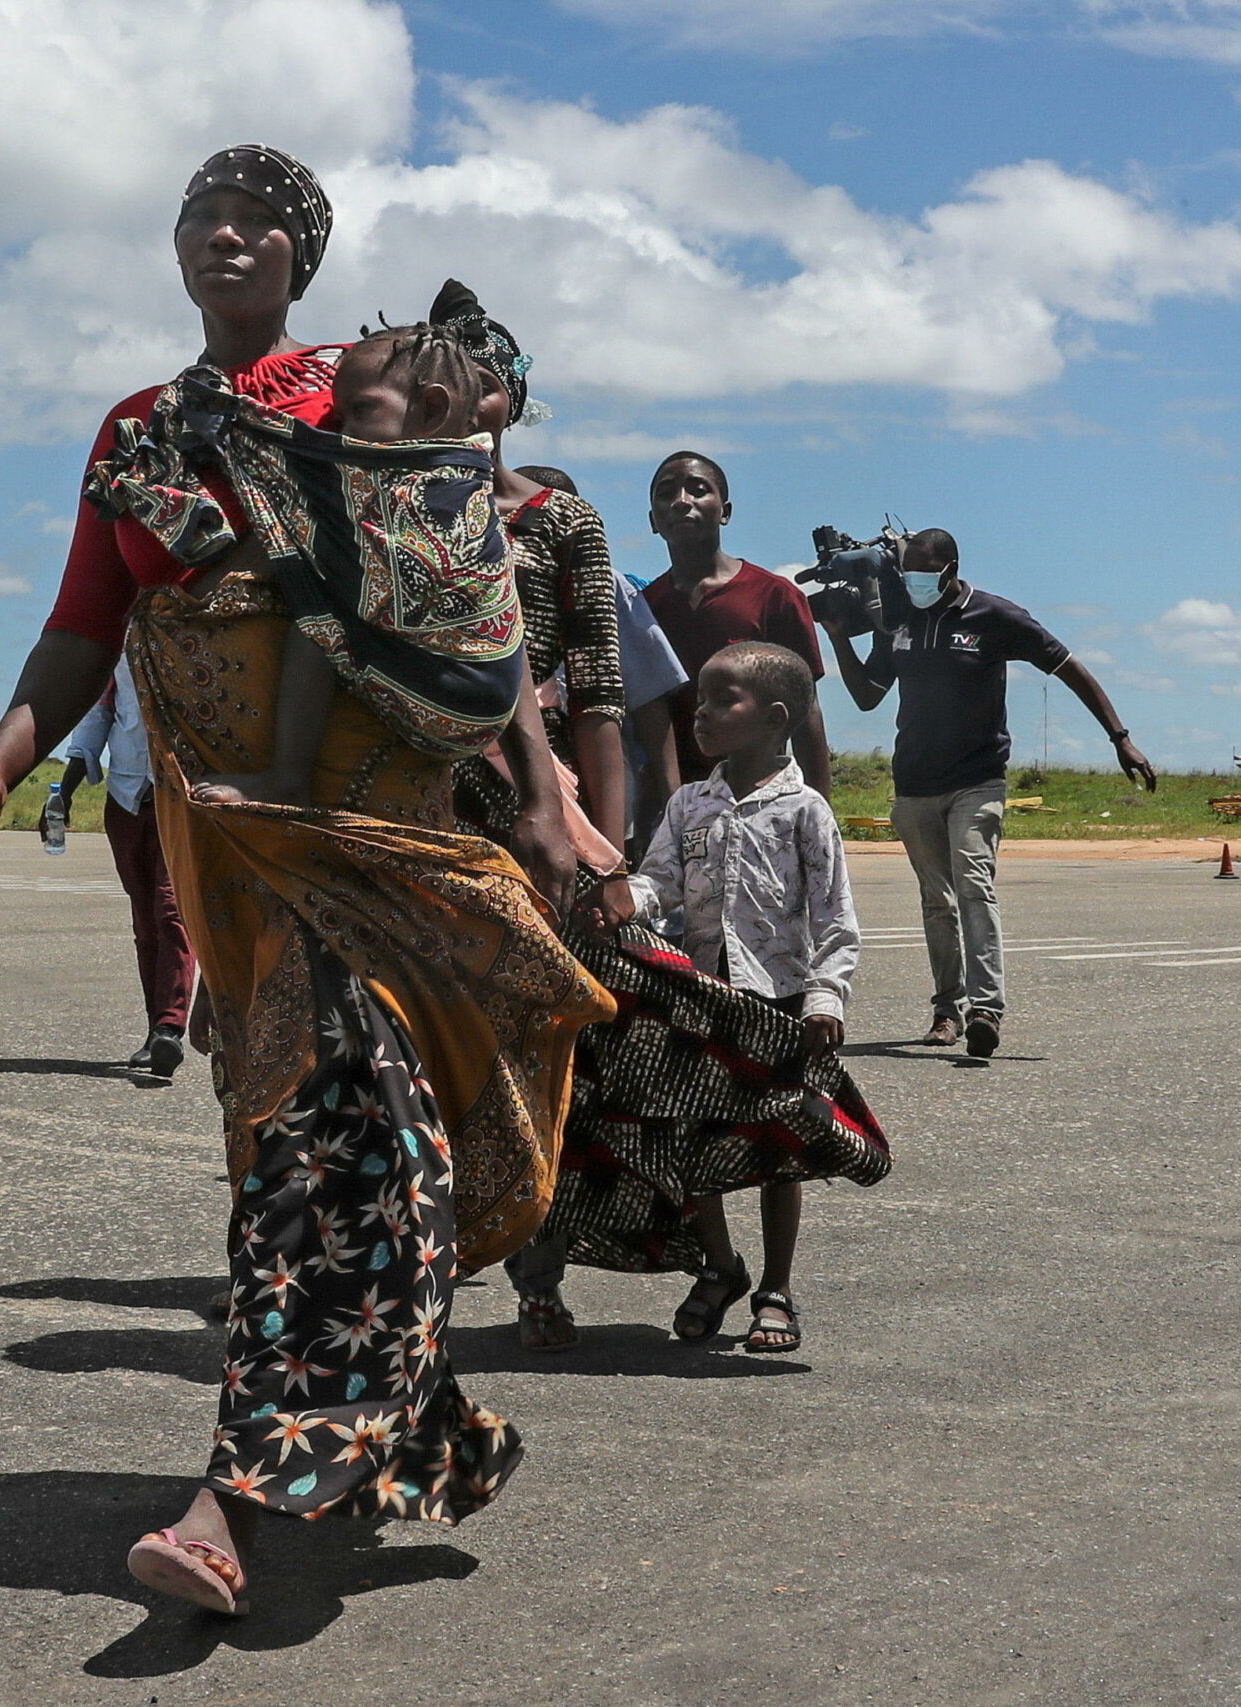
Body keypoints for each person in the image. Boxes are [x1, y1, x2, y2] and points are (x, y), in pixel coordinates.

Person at [0, 144, 608, 1620]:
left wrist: (550, 791)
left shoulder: (355, 390)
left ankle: (233, 1493)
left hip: (366, 820)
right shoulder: (134, 427)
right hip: (224, 844)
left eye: (258, 222)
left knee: (344, 1132)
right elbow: (80, 626)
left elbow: (455, 584)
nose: (226, 237)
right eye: (200, 219)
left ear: (302, 254)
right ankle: (410, 1418)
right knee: (306, 1137)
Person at [430, 292, 887, 1356]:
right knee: (447, 1058)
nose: (446, 399)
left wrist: (611, 854)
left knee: (578, 1058)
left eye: (473, 379)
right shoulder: (384, 520)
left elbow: (611, 699)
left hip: (548, 831)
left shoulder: (567, 527)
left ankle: (614, 1268)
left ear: (510, 398)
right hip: (423, 829)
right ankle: (427, 1262)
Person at [816, 527, 1156, 1057]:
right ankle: (946, 1011)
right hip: (914, 785)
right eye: (910, 575)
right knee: (937, 901)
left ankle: (986, 1010)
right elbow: (866, 698)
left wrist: (1121, 738)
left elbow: (1068, 667)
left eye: (925, 575)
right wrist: (839, 637)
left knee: (973, 885)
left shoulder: (994, 617)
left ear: (950, 570)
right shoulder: (901, 619)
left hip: (977, 779)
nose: (916, 584)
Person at [166, 318, 522, 808]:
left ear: (432, 408)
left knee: (317, 615)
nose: (341, 430)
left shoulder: (424, 491)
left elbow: (310, 489)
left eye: (359, 411)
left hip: (457, 697)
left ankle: (288, 777)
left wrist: (235, 421)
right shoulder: (469, 477)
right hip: (486, 702)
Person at [623, 642, 862, 1354]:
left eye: (722, 701)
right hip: (702, 1001)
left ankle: (777, 1287)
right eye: (698, 701)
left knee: (777, 1151)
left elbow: (834, 917)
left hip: (781, 1006)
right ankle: (721, 1266)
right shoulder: (689, 803)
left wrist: (826, 996)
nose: (701, 715)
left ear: (777, 719)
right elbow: (656, 883)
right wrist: (619, 898)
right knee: (697, 1144)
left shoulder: (805, 811)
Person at [513, 462, 686, 858]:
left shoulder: (608, 587)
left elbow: (648, 702)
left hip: (598, 792)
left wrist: (671, 801)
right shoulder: (486, 574)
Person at [641, 452, 831, 788]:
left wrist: (818, 813)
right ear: (653, 520)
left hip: (757, 794)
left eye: (698, 490)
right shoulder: (642, 608)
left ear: (725, 512)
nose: (682, 501)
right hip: (672, 800)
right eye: (666, 493)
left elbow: (806, 709)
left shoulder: (776, 596)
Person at [58, 658, 195, 1083]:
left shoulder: (191, 640)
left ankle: (170, 1026)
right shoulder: (115, 651)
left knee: (172, 911)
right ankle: (156, 1027)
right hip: (125, 795)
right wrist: (64, 791)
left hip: (181, 794)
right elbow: (98, 715)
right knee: (145, 918)